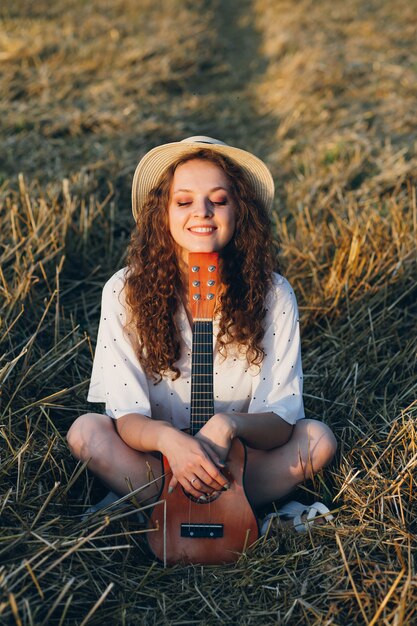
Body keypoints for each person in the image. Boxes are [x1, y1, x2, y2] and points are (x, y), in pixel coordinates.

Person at [67, 136, 337, 531]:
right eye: (184, 201)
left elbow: (281, 419)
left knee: (318, 440)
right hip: (157, 464)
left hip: (240, 466)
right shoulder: (125, 291)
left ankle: (168, 507)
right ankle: (194, 505)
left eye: (219, 199)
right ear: (163, 214)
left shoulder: (273, 292)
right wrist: (170, 442)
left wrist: (228, 427)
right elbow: (125, 416)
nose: (203, 212)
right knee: (86, 432)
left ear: (240, 211)